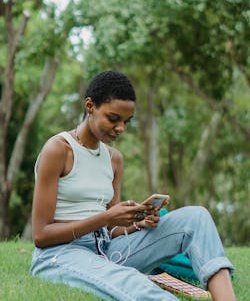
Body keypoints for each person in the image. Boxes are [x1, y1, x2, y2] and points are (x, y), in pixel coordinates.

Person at [30, 70, 236, 301]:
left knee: (196, 217)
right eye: (113, 118)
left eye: (127, 122)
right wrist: (107, 218)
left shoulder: (114, 159)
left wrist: (138, 223)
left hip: (105, 249)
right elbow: (41, 235)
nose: (121, 128)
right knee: (135, 282)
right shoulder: (58, 150)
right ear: (90, 106)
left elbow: (110, 230)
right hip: (61, 254)